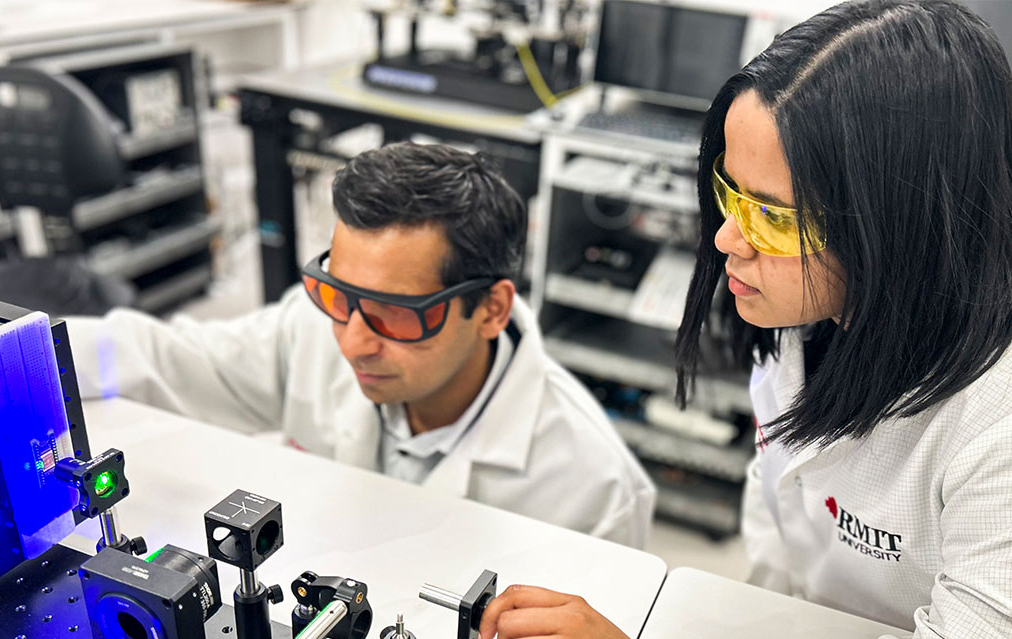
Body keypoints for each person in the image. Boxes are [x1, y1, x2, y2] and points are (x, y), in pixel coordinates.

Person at [477, 1, 1012, 639]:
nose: (728, 239)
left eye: (772, 215)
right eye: (730, 192)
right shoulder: (815, 303)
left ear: (898, 219)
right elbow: (784, 504)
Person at [69, 142, 655, 548]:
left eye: (396, 313)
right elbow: (161, 358)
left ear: (491, 309)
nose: (352, 343)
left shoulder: (595, 490)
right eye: (338, 294)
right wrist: (23, 355)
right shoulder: (311, 328)